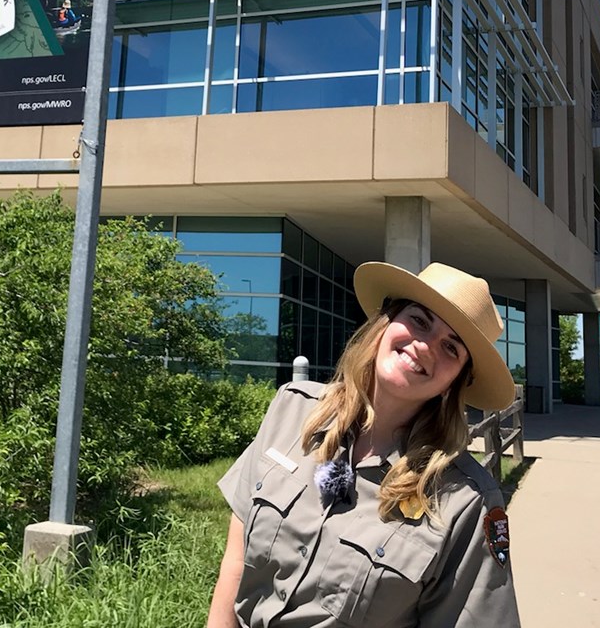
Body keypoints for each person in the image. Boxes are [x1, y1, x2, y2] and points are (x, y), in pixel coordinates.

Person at [208, 261, 522, 628]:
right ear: (385, 322)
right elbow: (236, 556)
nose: (424, 346)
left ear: (456, 381)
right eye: (419, 320)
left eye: (451, 347)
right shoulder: (292, 409)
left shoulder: (464, 501)